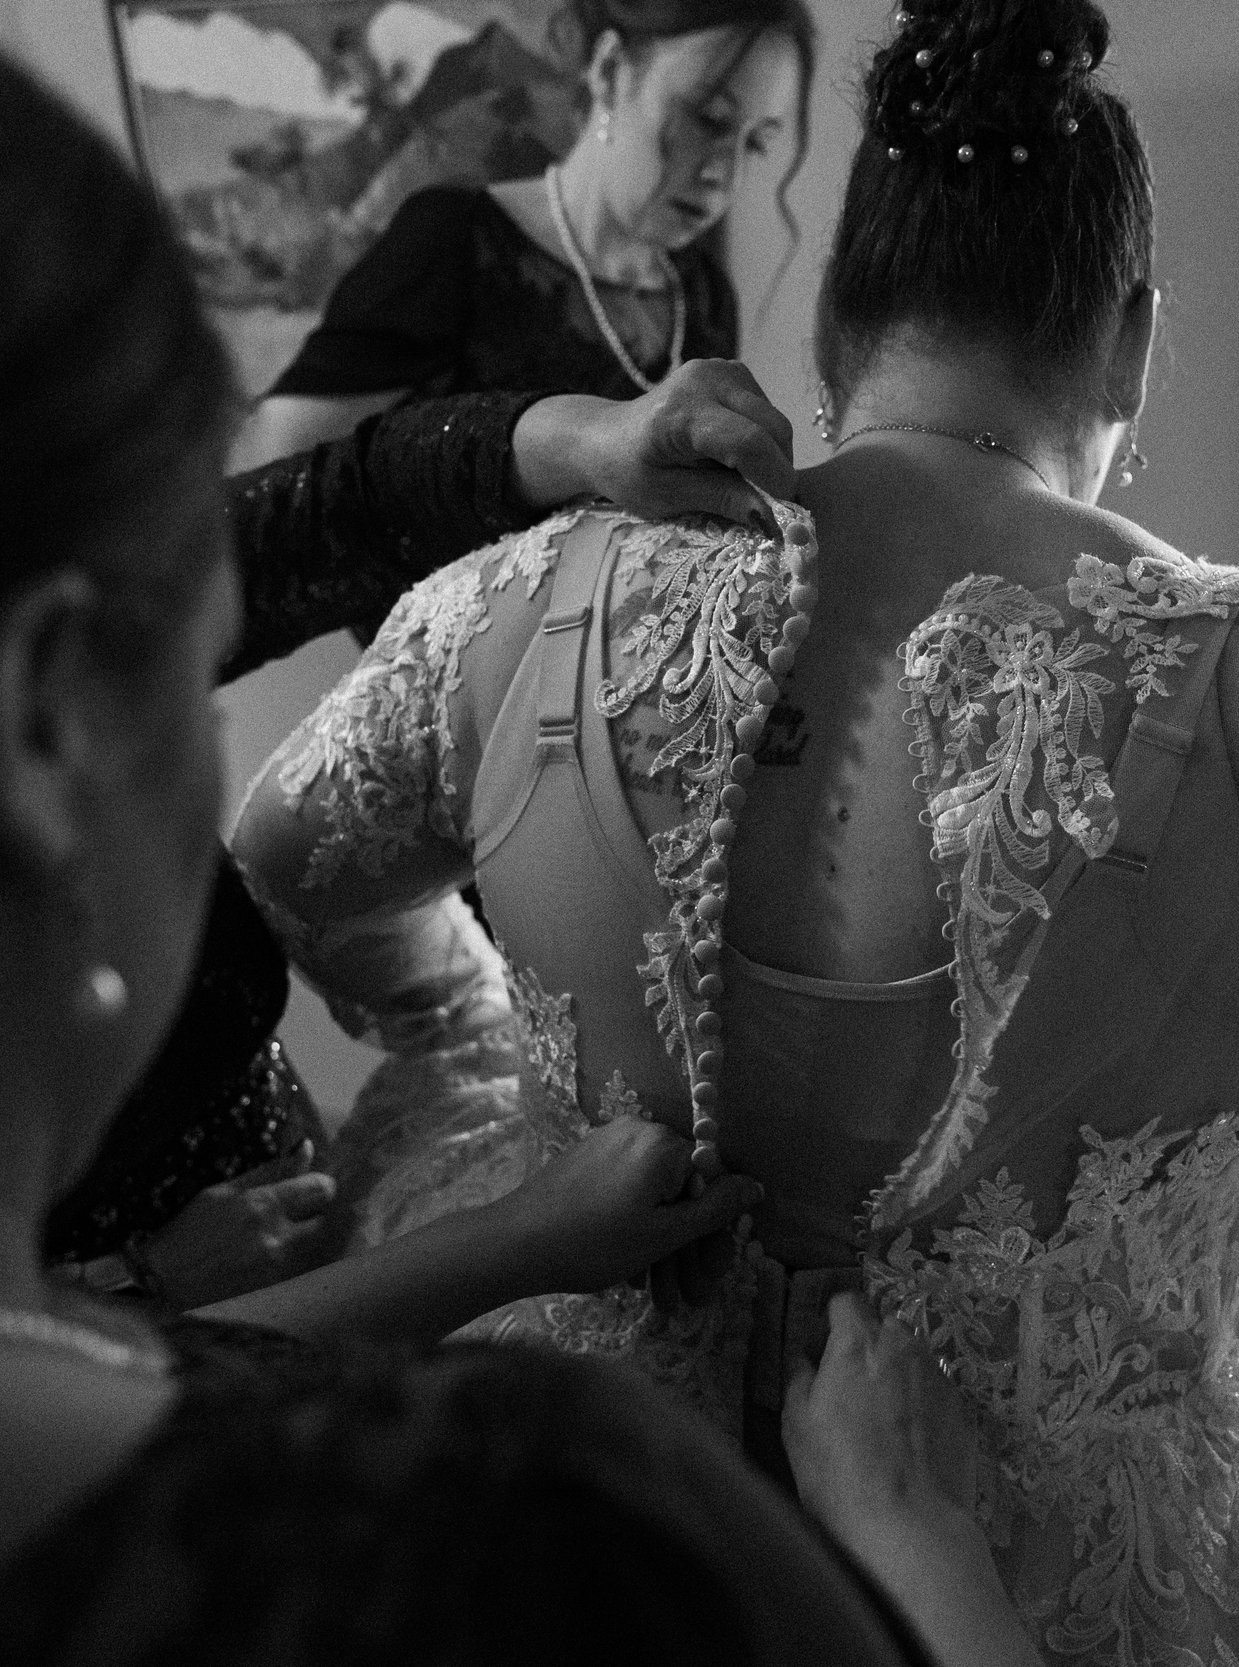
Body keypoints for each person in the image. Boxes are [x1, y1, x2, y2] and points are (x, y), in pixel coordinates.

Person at [232, 3, 1239, 1662]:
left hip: (603, 1527)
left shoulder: (511, 604)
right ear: (1131, 338)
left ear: (836, 321)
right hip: (1092, 1574)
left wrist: (457, 1022)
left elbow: (288, 862)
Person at [0, 4, 1040, 1663]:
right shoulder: (534, 1555)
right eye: (197, 660)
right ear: (38, 722)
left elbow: (324, 514)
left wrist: (575, 441)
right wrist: (933, 1582)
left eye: (754, 147)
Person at [45, 368, 809, 1311]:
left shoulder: (90, 605)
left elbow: (353, 501)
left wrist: (595, 436)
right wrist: (132, 1284)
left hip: (312, 1207)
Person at [228, 0, 816, 473]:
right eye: (708, 119)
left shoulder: (705, 299)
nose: (724, 175)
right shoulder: (453, 241)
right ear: (610, 71)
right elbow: (280, 469)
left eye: (756, 142)